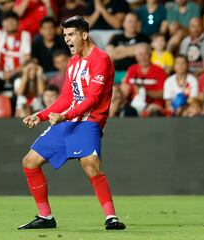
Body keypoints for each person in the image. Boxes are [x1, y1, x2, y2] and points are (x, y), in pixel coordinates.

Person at [18, 16, 126, 231]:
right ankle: (46, 217)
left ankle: (111, 217)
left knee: (90, 166)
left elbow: (92, 99)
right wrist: (39, 115)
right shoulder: (73, 62)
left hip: (89, 121)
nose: (67, 39)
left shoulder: (100, 59)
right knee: (29, 162)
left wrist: (64, 116)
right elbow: (67, 98)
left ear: (84, 35)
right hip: (69, 119)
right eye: (65, 35)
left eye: (71, 34)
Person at [121, 43, 166, 114]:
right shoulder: (132, 69)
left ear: (150, 55)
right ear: (136, 57)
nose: (142, 57)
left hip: (153, 104)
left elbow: (163, 93)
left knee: (152, 111)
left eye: (145, 54)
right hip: (134, 103)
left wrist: (144, 92)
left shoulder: (159, 70)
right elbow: (125, 88)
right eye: (139, 55)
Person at [106, 13, 150, 84]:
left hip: (136, 73)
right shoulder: (116, 37)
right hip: (116, 72)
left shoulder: (144, 38)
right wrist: (133, 50)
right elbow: (110, 54)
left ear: (138, 24)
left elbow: (144, 51)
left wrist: (120, 50)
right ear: (123, 24)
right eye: (130, 21)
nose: (132, 24)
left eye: (135, 22)